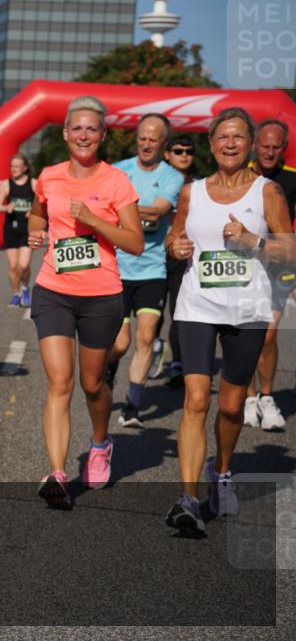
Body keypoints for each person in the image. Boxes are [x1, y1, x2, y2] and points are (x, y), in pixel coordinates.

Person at [164, 107, 294, 536]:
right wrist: (177, 245)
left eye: (238, 137)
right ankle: (186, 498)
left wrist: (252, 241)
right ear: (211, 143)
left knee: (232, 405)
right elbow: (176, 236)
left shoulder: (267, 191)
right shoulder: (191, 191)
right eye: (222, 137)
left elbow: (289, 252)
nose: (230, 144)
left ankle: (220, 472)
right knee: (196, 400)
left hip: (247, 308)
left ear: (251, 144)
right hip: (197, 305)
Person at [27, 95, 143, 509]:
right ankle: (57, 472)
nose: (83, 135)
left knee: (92, 384)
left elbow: (134, 241)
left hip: (101, 296)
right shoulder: (50, 176)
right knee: (59, 381)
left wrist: (95, 220)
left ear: (102, 135)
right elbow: (37, 213)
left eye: (91, 128)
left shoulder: (115, 181)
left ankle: (99, 444)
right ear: (64, 133)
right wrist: (37, 232)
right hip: (53, 291)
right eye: (76, 127)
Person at [106, 113, 184, 428]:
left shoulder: (172, 176)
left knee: (147, 337)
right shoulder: (118, 170)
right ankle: (110, 370)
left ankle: (133, 406)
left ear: (163, 143)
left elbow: (159, 210)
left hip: (152, 269)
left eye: (153, 139)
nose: (147, 144)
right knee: (121, 342)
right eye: (142, 138)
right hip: (118, 268)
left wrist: (122, 209)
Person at [244, 119, 296, 431]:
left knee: (268, 334)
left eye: (277, 147)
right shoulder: (241, 176)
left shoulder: (292, 180)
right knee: (246, 332)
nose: (270, 151)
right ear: (255, 145)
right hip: (244, 264)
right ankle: (249, 398)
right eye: (265, 145)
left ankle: (266, 396)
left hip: (279, 265)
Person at [161, 134, 198, 386]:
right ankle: (151, 345)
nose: (184, 154)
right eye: (177, 150)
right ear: (167, 154)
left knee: (178, 310)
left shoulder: (198, 185)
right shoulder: (154, 179)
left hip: (180, 255)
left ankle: (177, 362)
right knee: (151, 317)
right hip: (150, 255)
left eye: (188, 150)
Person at [0, 154, 37, 307]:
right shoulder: (7, 184)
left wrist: (33, 210)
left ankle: (25, 288)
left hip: (27, 229)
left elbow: (43, 203)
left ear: (25, 168)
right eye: (12, 166)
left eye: (17, 166)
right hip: (11, 228)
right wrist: (6, 207)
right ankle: (16, 293)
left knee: (24, 265)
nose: (14, 169)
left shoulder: (33, 183)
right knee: (13, 266)